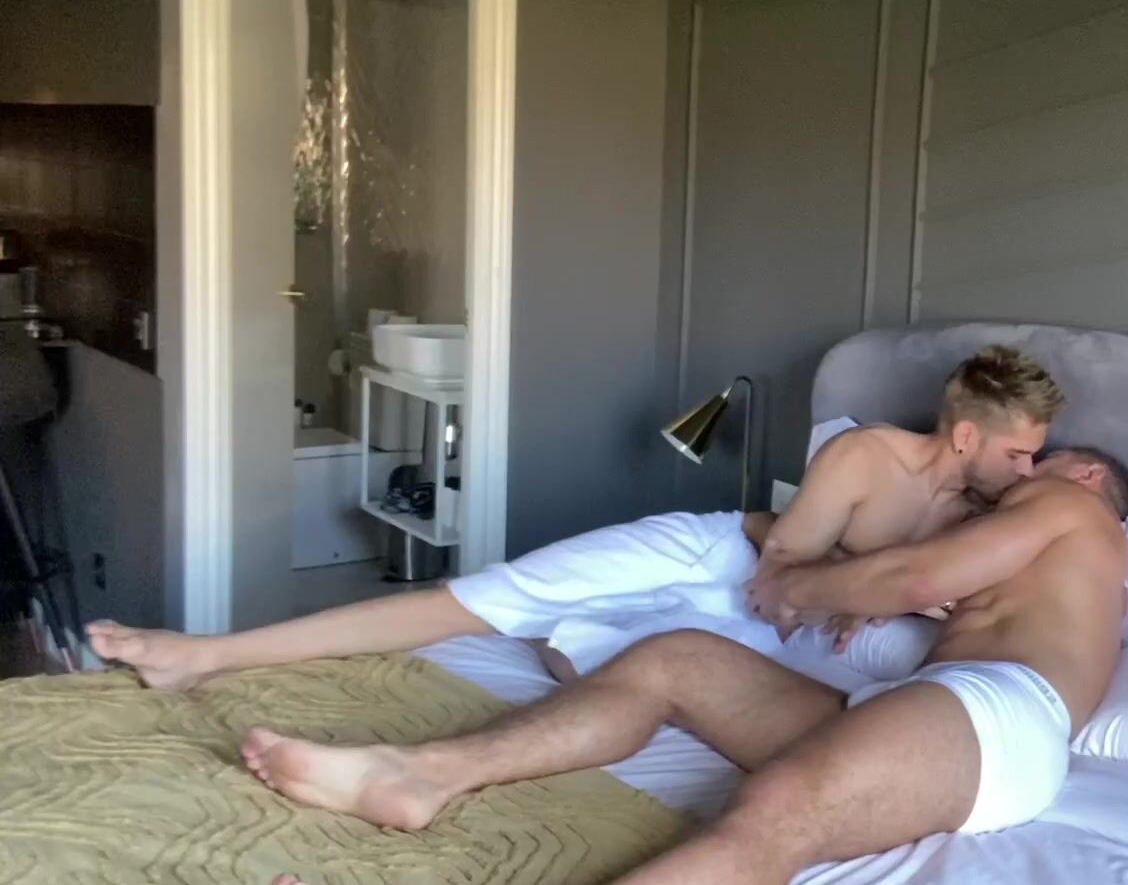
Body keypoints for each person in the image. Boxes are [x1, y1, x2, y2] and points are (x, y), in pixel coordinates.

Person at [253, 444, 1128, 885]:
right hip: (936, 709)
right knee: (674, 659)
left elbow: (915, 577)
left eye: (1044, 459)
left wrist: (801, 587)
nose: (1025, 472)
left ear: (1090, 475)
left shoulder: (1075, 507)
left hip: (1000, 718)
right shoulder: (1047, 551)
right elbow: (910, 574)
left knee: (780, 810)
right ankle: (418, 775)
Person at [85, 344, 1065, 690]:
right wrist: (856, 595)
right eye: (1022, 452)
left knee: (622, 666)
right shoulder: (863, 458)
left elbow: (883, 598)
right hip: (717, 555)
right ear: (966, 435)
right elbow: (779, 584)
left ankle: (574, 647)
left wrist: (872, 598)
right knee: (480, 599)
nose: (1030, 472)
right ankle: (205, 655)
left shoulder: (973, 513)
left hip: (754, 616)